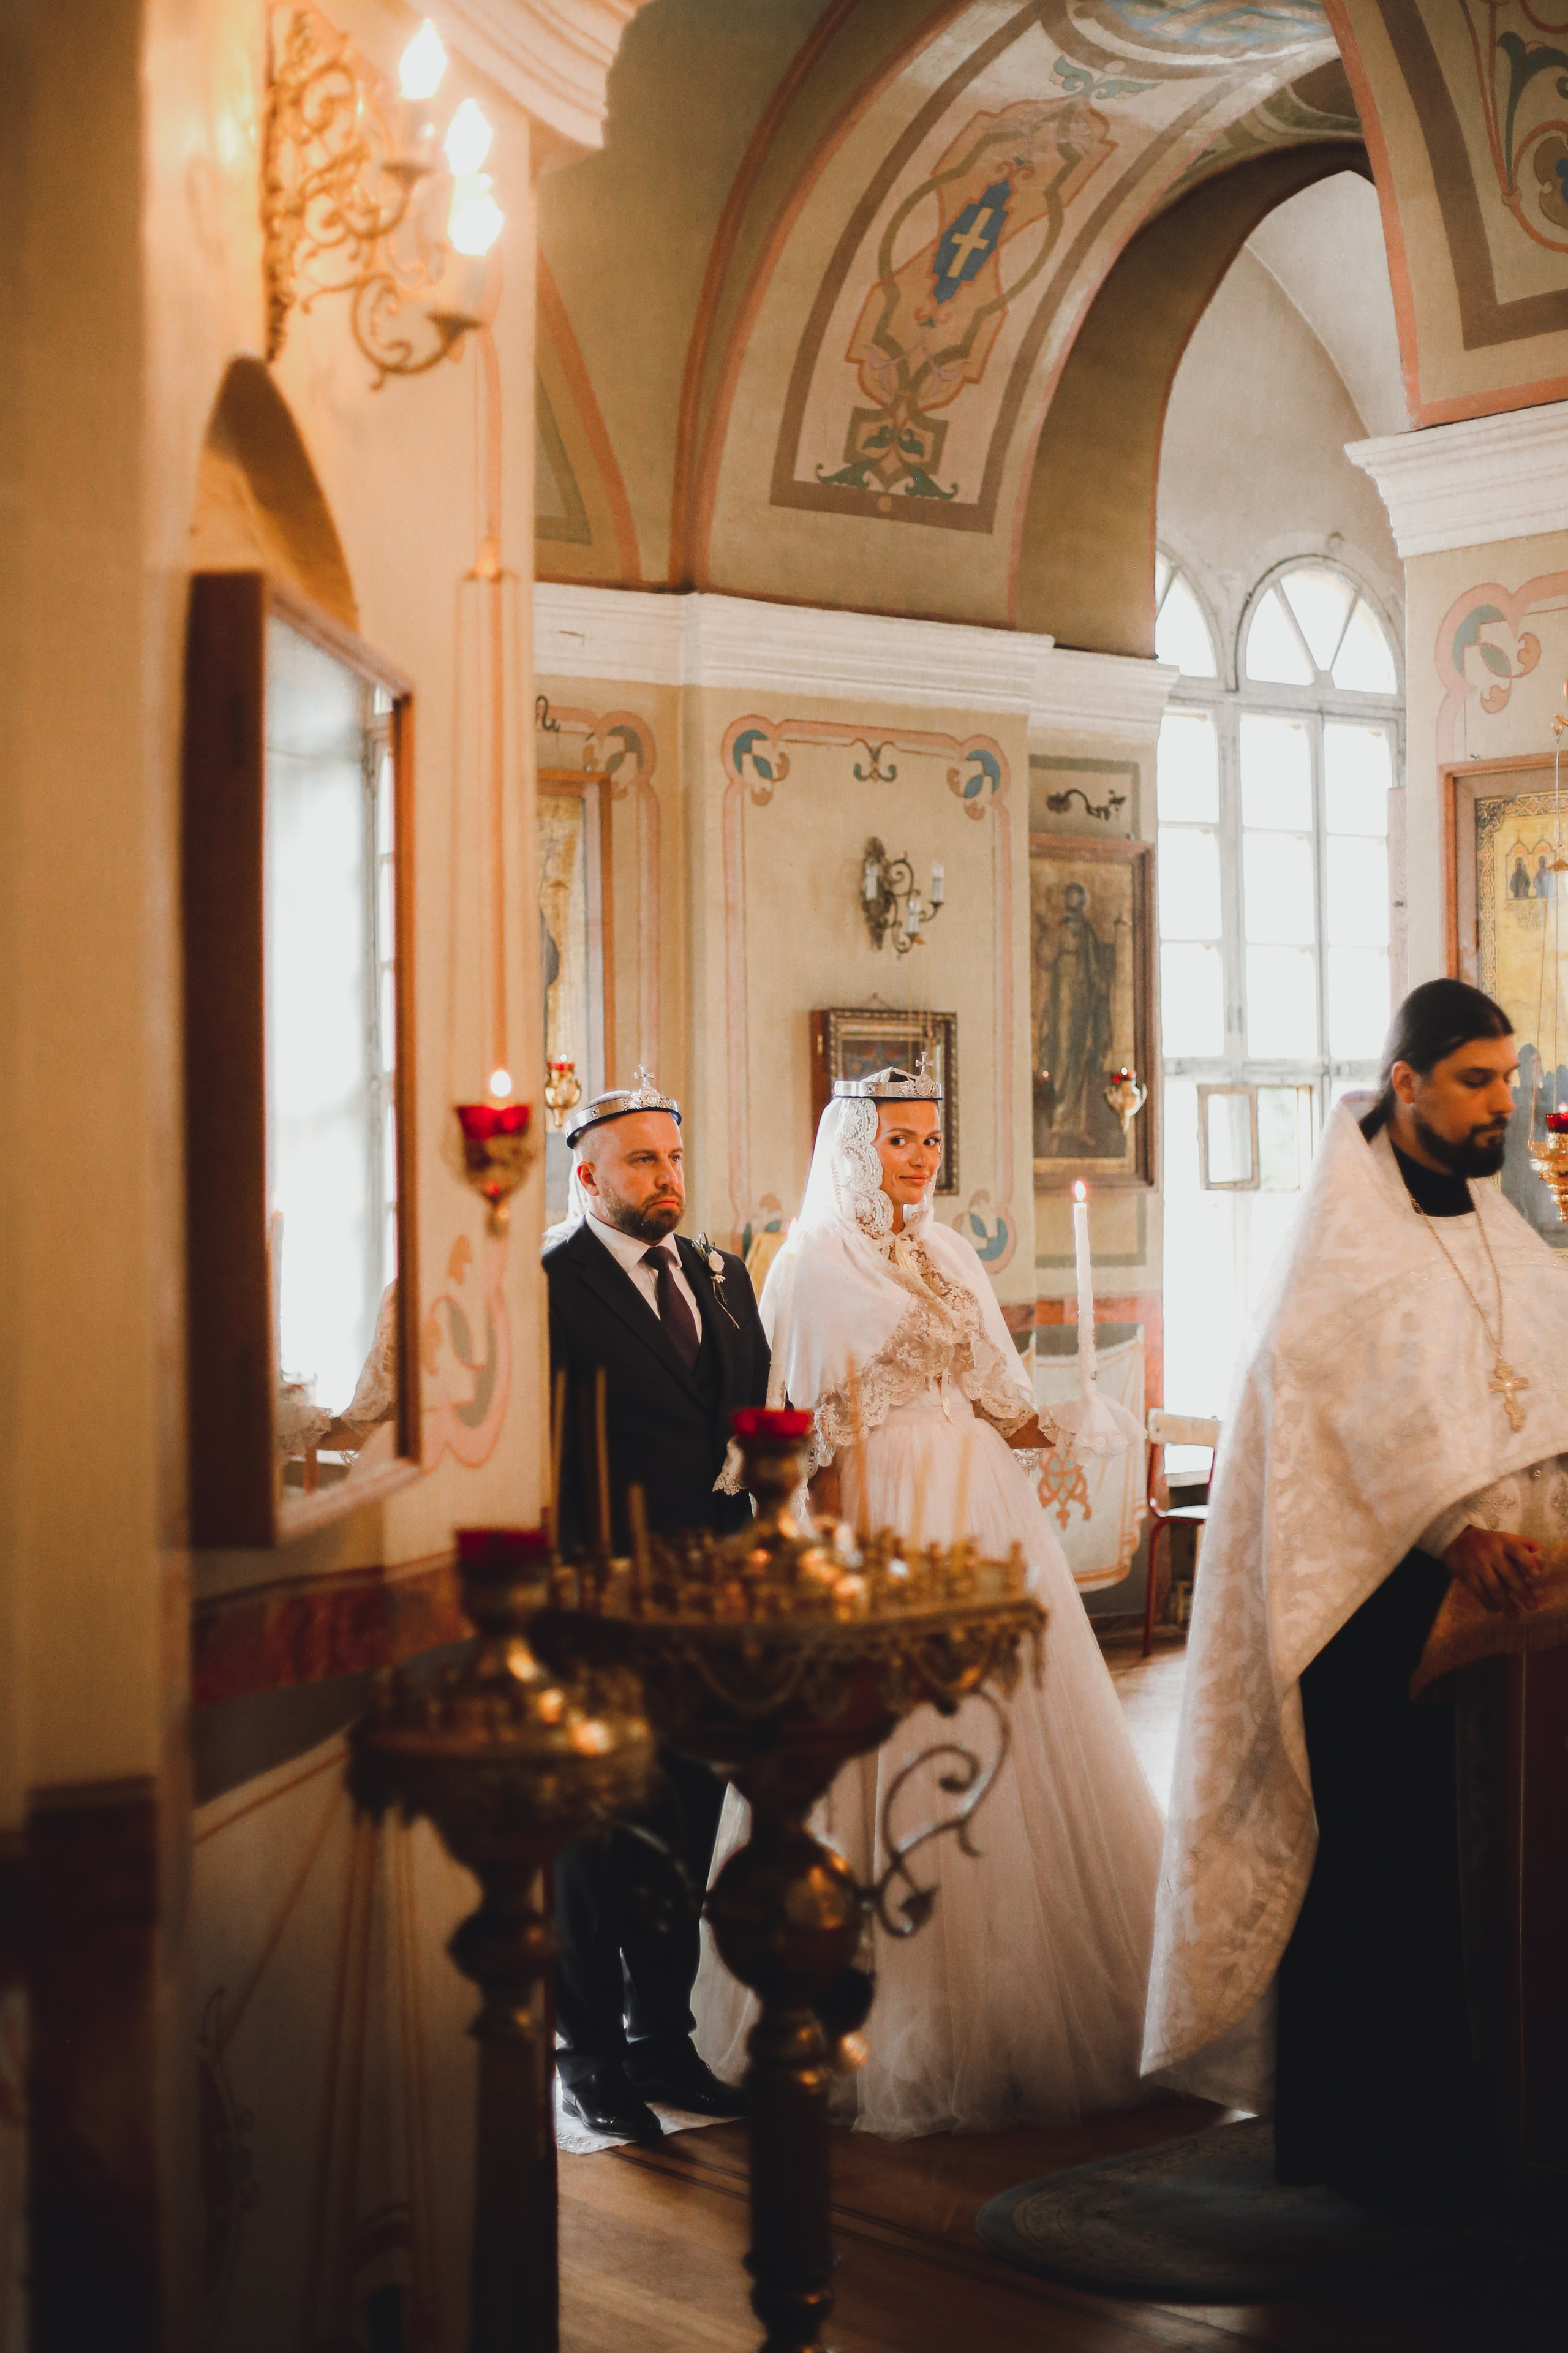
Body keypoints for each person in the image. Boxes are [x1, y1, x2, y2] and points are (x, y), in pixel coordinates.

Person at [1144, 980, 1568, 2215]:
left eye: (1506, 1079)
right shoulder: (1339, 1247)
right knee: (1377, 1863)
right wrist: (1448, 1530)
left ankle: (1491, 2100)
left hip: (1509, 1612)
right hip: (1363, 1612)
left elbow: (1523, 1386)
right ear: (1405, 1084)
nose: (1505, 1103)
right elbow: (1329, 1434)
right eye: (1477, 1081)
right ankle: (1365, 2129)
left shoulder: (1498, 1231)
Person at [693, 1067, 1165, 2136]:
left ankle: (1022, 1998)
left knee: (1009, 1722)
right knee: (894, 1738)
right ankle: (881, 2013)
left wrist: (1069, 1419)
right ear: (856, 1148)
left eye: (930, 1140)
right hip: (881, 1514)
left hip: (980, 1507)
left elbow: (999, 1399)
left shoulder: (952, 1253)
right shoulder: (813, 1263)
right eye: (899, 1141)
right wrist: (834, 1557)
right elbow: (806, 1436)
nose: (920, 1159)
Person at [545, 1070, 771, 2143]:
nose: (668, 1177)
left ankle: (663, 2042)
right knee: (595, 1839)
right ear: (588, 1174)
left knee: (683, 1824)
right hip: (599, 1599)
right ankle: (587, 2056)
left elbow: (745, 1410)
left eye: (675, 1158)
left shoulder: (723, 1273)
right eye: (644, 1160)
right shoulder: (548, 1279)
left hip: (706, 1599)